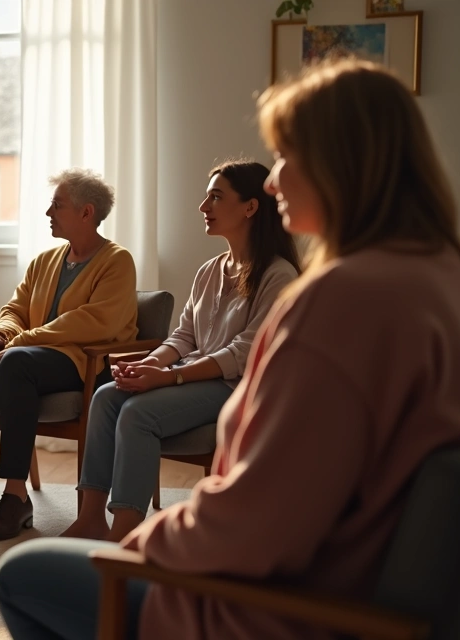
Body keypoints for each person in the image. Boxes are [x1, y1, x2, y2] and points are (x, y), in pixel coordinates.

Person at [0, 59, 460, 639]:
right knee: (110, 403)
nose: (274, 180)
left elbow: (256, 523)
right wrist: (157, 364)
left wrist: (142, 545)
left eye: (286, 156)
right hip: (356, 586)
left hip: (279, 609)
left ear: (342, 163)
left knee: (23, 574)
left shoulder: (340, 300)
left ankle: (117, 533)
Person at [60, 160, 300, 542]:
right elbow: (183, 337)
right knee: (106, 397)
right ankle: (91, 519)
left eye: (216, 197)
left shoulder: (279, 275)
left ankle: (124, 536)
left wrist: (170, 376)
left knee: (139, 413)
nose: (204, 207)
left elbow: (243, 354)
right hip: (192, 377)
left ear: (251, 207)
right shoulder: (209, 270)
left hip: (236, 387)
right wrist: (147, 365)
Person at [0, 168, 138, 540]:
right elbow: (15, 309)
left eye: (57, 205)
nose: (48, 212)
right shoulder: (45, 260)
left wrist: (22, 341)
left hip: (83, 362)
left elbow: (95, 322)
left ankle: (16, 498)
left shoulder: (117, 261)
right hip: (32, 359)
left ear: (87, 212)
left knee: (15, 362)